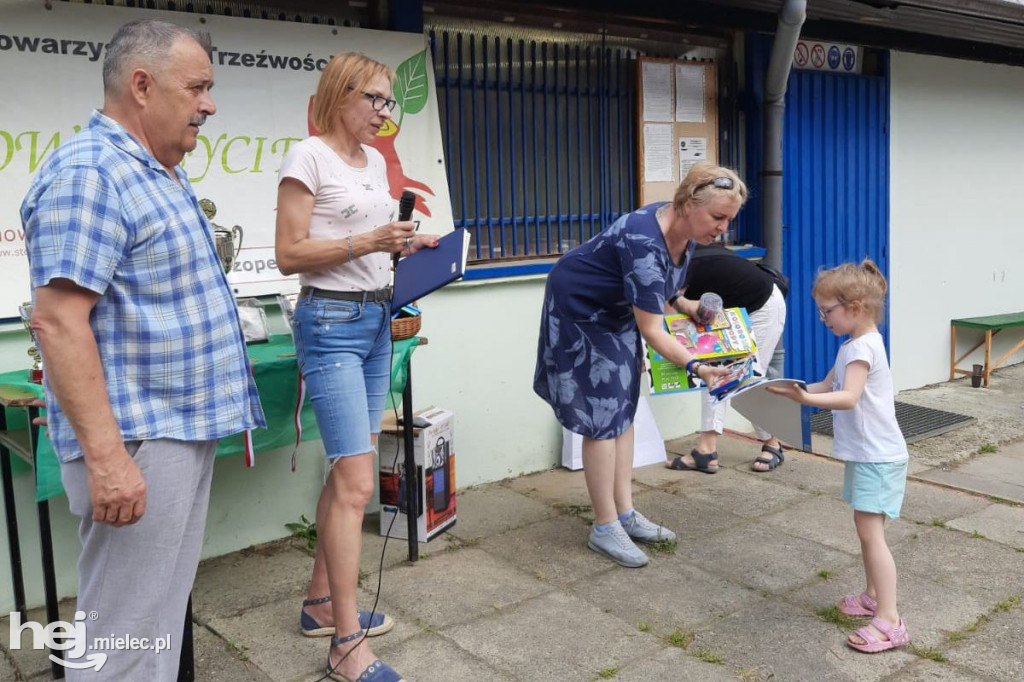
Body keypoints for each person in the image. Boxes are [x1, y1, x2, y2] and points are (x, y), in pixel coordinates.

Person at [21, 20, 265, 680]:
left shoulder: (158, 171)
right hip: (136, 444)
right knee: (121, 644)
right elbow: (60, 323)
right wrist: (106, 461)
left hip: (172, 434)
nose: (209, 104)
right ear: (140, 85)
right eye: (198, 87)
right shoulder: (92, 174)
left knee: (155, 628)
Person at [275, 52, 435, 682]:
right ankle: (345, 644)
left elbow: (372, 242)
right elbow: (290, 253)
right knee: (357, 484)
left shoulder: (372, 163)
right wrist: (369, 241)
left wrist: (411, 243)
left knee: (348, 470)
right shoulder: (307, 156)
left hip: (376, 320)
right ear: (339, 94)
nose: (383, 113)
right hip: (331, 323)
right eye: (373, 99)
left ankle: (319, 605)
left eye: (389, 102)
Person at [533, 162, 742, 568]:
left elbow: (666, 292)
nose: (723, 228)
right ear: (686, 203)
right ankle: (604, 525)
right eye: (718, 217)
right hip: (580, 311)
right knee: (602, 417)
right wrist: (699, 367)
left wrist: (688, 306)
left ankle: (625, 512)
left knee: (624, 410)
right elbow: (652, 329)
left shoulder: (684, 230)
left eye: (729, 220)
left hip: (616, 312)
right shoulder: (644, 241)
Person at [768, 259, 910, 653]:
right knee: (867, 533)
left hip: (878, 458)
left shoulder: (863, 349)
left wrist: (806, 398)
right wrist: (785, 389)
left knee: (872, 536)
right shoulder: (852, 346)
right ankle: (871, 597)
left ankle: (890, 620)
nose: (822, 318)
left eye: (826, 310)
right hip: (870, 456)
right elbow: (823, 385)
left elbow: (846, 398)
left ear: (856, 306)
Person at [666, 243, 788, 473]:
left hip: (763, 307)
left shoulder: (677, 267)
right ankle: (707, 451)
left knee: (747, 377)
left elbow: (669, 323)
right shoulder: (680, 256)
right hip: (729, 310)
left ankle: (772, 442)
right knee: (715, 372)